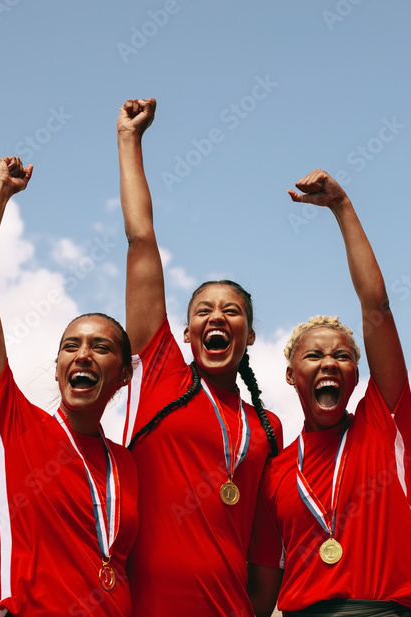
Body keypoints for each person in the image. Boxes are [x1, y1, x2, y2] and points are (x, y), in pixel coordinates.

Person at [116, 98, 283, 616]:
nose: (217, 318)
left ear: (250, 335)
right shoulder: (158, 370)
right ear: (186, 333)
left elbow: (265, 556)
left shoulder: (268, 426)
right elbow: (141, 240)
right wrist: (130, 140)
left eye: (231, 311)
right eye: (203, 311)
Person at [0, 157, 138, 617]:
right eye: (70, 346)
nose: (82, 354)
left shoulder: (127, 465)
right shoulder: (15, 424)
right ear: (58, 367)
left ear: (122, 374)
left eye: (100, 346)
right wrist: (1, 193)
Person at [246, 170, 411, 617]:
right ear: (291, 375)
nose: (329, 362)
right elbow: (264, 586)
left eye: (343, 355)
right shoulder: (275, 473)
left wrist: (342, 208)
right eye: (314, 356)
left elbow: (376, 306)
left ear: (358, 374)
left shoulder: (382, 421)